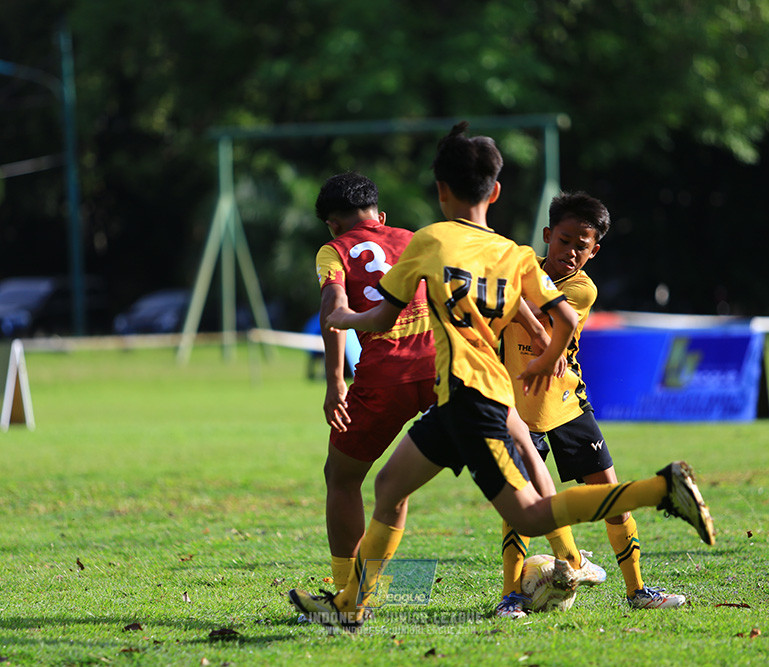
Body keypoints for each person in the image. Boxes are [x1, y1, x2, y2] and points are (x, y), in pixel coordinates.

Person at [288, 122, 715, 634]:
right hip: (462, 395)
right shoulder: (513, 253)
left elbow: (380, 318)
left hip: (472, 400)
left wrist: (345, 320)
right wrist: (544, 357)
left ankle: (658, 489)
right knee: (389, 486)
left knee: (532, 515)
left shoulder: (431, 241)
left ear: (441, 191)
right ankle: (352, 606)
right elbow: (562, 319)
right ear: (494, 191)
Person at [500, 191, 686, 611]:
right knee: (520, 512)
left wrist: (504, 289)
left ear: (593, 251)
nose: (570, 252)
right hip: (516, 411)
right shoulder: (519, 268)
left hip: (567, 407)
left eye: (580, 247)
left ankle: (637, 591)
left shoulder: (581, 288)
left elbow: (525, 312)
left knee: (613, 502)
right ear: (548, 235)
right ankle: (511, 597)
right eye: (563, 241)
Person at [313, 172, 436, 592]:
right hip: (445, 371)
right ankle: (559, 559)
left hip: (386, 378)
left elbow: (333, 308)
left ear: (332, 224)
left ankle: (350, 592)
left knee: (343, 477)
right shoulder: (415, 237)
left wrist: (335, 382)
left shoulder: (333, 251)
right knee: (508, 468)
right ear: (379, 215)